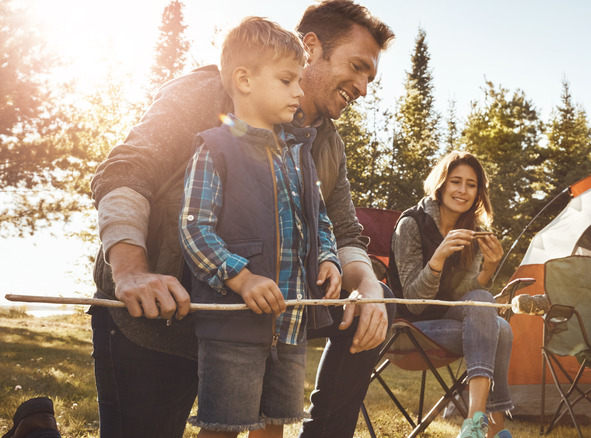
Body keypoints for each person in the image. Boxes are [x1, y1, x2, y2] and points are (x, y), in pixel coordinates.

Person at [89, 1, 395, 437]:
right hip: (158, 322)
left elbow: (342, 229)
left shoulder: (325, 144)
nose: (364, 88)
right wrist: (131, 270)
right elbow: (127, 169)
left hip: (256, 328)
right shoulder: (208, 92)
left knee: (375, 295)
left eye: (371, 77)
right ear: (311, 48)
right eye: (358, 66)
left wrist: (366, 285)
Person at [177, 17, 341, 438]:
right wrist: (242, 276)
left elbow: (319, 218)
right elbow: (195, 231)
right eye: (288, 80)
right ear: (244, 80)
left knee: (274, 426)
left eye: (300, 81)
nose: (300, 91)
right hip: (234, 325)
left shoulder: (299, 152)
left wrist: (327, 257)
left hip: (290, 323)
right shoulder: (216, 148)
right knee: (225, 426)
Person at [387, 151, 513, 438]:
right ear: (441, 184)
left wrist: (488, 270)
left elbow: (461, 294)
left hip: (450, 322)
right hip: (411, 329)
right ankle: (491, 427)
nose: (463, 190)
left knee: (487, 305)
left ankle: (477, 424)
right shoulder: (411, 225)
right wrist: (438, 258)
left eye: (471, 185)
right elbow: (414, 304)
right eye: (456, 181)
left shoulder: (470, 231)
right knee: (500, 329)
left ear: (479, 192)